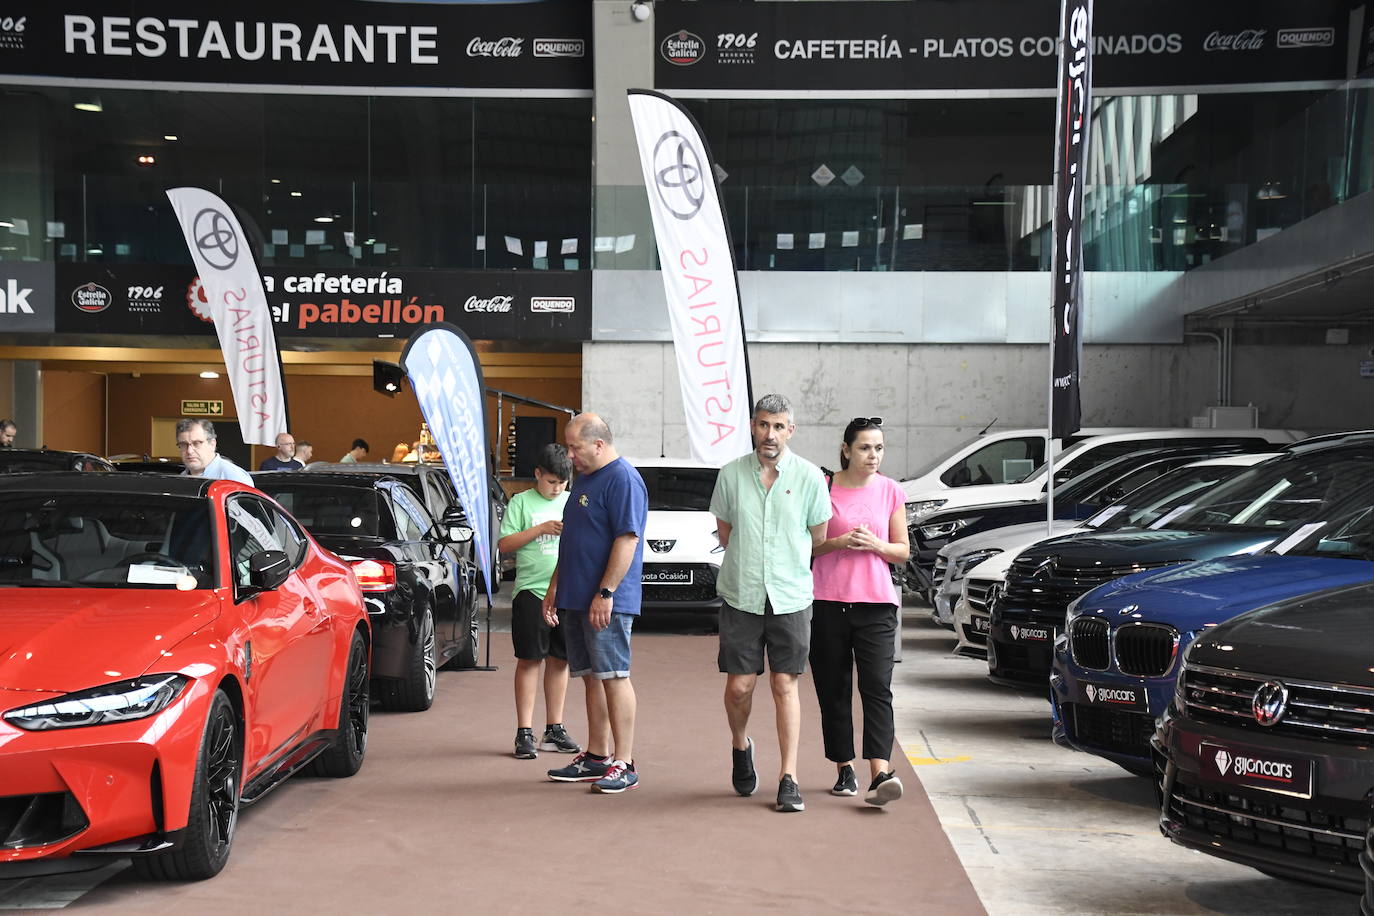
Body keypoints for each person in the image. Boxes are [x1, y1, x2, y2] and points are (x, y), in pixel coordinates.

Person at [710, 394, 831, 813]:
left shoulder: (811, 477)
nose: (770, 434)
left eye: (779, 426)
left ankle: (788, 776)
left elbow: (817, 537)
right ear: (752, 427)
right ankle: (740, 745)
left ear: (790, 431)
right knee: (740, 686)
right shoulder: (730, 475)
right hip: (742, 594)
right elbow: (725, 533)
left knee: (785, 684)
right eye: (764, 425)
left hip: (791, 596)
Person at [542, 413, 647, 793]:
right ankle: (598, 756)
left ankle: (625, 761)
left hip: (605, 600)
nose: (570, 456)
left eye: (575, 447)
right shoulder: (587, 478)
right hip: (576, 596)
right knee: (590, 676)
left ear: (598, 444)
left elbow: (627, 539)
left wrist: (606, 593)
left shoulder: (622, 479)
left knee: (614, 675)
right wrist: (556, 585)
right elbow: (574, 537)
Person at [809, 417, 910, 807]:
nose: (873, 455)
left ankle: (880, 773)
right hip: (828, 603)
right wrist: (839, 541)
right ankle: (843, 768)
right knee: (833, 691)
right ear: (847, 449)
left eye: (879, 448)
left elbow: (902, 551)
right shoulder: (824, 487)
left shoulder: (890, 491)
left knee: (877, 689)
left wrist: (876, 546)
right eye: (866, 447)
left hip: (877, 605)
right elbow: (810, 546)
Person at [498, 444, 580, 760]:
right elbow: (505, 544)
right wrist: (541, 529)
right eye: (551, 482)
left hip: (566, 593)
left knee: (560, 660)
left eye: (562, 483)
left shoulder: (573, 501)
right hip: (531, 591)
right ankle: (524, 731)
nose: (557, 488)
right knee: (530, 659)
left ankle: (554, 728)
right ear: (537, 475)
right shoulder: (521, 502)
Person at [176, 418, 253, 484]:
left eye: (196, 443)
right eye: (183, 444)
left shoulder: (235, 477)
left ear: (212, 444)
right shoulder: (181, 479)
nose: (189, 451)